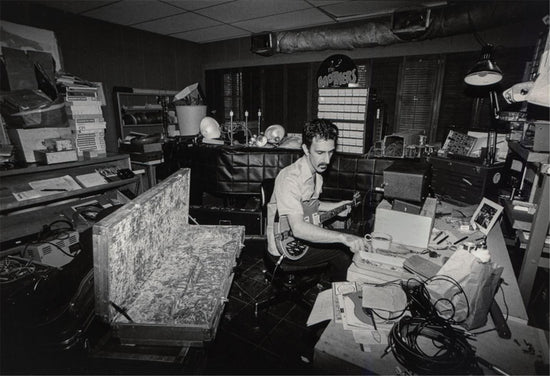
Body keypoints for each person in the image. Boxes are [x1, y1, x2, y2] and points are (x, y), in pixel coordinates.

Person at [266, 118, 368, 281]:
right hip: (286, 247)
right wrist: (342, 238)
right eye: (320, 153)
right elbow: (298, 228)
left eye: (331, 152)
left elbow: (310, 206)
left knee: (351, 234)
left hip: (301, 240)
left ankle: (331, 284)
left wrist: (336, 207)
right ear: (306, 149)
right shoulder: (290, 178)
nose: (327, 160)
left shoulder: (317, 175)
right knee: (342, 250)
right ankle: (337, 296)